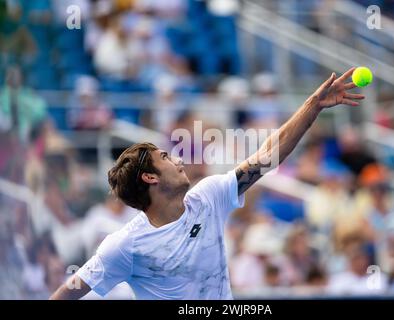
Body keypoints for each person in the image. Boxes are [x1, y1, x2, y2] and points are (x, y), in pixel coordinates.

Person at [50, 68, 364, 300]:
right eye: (167, 158)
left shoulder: (209, 195)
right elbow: (65, 295)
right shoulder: (124, 246)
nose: (180, 160)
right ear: (150, 177)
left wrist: (314, 105)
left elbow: (268, 155)